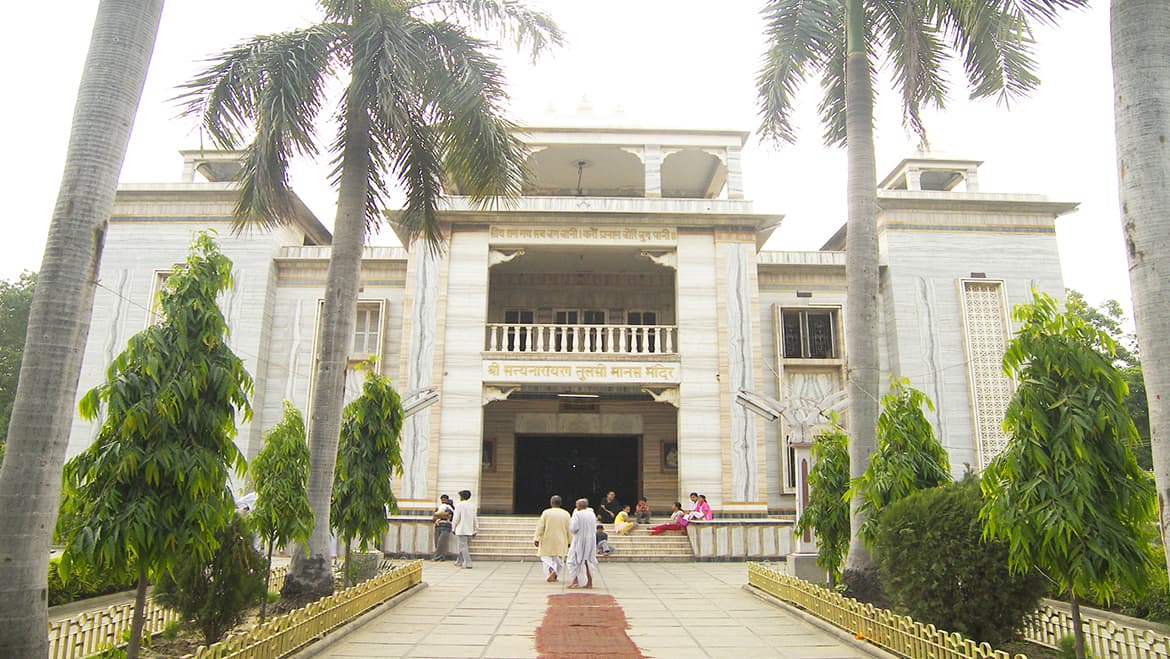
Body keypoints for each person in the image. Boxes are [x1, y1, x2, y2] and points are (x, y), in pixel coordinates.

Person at [533, 495, 571, 582]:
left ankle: (552, 570)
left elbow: (540, 527)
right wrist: (570, 541)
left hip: (547, 539)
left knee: (546, 557)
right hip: (561, 540)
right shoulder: (566, 514)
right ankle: (555, 573)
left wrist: (537, 538)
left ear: (551, 503)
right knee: (558, 558)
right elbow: (569, 529)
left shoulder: (546, 513)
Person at [566, 498, 598, 589]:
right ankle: (590, 582)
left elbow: (573, 528)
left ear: (579, 506)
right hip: (590, 539)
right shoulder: (592, 513)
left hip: (579, 539)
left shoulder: (577, 514)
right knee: (588, 560)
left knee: (572, 560)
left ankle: (575, 580)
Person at [452, 489, 478, 569]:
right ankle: (459, 561)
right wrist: (476, 528)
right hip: (469, 529)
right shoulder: (472, 505)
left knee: (463, 547)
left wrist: (453, 527)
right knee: (463, 546)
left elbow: (456, 518)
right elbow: (474, 518)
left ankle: (468, 563)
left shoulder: (459, 505)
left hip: (461, 529)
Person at [431, 494, 454, 561]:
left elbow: (448, 515)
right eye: (442, 499)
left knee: (441, 542)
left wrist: (439, 516)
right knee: (437, 542)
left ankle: (436, 557)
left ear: (447, 500)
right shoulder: (439, 507)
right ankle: (441, 557)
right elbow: (434, 517)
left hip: (446, 527)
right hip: (438, 526)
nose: (443, 500)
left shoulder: (449, 508)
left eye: (444, 499)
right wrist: (440, 516)